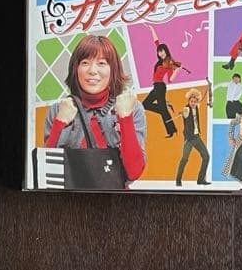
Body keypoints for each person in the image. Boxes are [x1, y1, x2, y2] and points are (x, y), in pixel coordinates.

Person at [44, 34, 146, 186]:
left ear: (113, 70)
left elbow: (134, 172)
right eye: (85, 63)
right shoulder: (58, 110)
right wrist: (59, 123)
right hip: (69, 197)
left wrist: (125, 118)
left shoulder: (132, 107)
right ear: (76, 69)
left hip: (116, 197)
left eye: (101, 63)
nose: (92, 70)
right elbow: (47, 171)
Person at [141, 24, 182, 138]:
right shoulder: (161, 62)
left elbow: (170, 79)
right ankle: (164, 108)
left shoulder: (169, 64)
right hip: (156, 86)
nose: (161, 53)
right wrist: (152, 29)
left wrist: (177, 71)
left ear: (166, 51)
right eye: (159, 52)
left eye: (163, 51)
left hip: (160, 87)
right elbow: (156, 42)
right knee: (146, 105)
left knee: (156, 108)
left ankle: (171, 130)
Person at [176, 83, 211, 187]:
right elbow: (185, 112)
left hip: (197, 137)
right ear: (188, 101)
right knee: (184, 159)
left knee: (206, 156)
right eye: (191, 101)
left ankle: (201, 179)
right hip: (189, 139)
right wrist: (182, 113)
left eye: (195, 101)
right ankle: (178, 180)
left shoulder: (196, 108)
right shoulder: (186, 109)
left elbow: (201, 100)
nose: (193, 103)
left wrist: (207, 89)